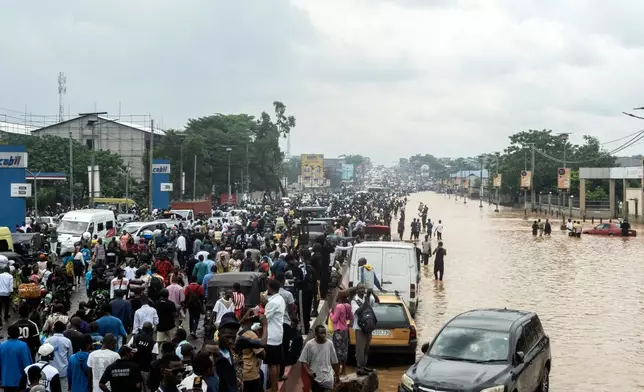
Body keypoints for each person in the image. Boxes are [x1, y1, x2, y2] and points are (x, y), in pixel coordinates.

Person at [299, 325, 340, 392]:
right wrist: (309, 372)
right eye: (321, 333)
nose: (323, 335)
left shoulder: (330, 344)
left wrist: (337, 375)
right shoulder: (309, 344)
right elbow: (303, 360)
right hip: (315, 377)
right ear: (316, 334)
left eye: (324, 333)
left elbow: (334, 362)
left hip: (328, 377)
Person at [351, 284, 378, 375]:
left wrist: (372, 293)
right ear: (357, 290)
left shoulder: (367, 298)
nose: (362, 290)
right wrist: (366, 301)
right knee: (360, 349)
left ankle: (364, 365)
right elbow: (357, 311)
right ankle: (359, 367)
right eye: (360, 288)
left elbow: (377, 302)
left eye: (363, 288)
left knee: (366, 348)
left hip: (368, 327)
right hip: (359, 328)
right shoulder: (354, 300)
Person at [265, 279, 286, 392]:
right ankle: (275, 386)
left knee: (272, 364)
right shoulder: (280, 299)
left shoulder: (272, 303)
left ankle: (273, 388)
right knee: (276, 363)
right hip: (278, 334)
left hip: (271, 336)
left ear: (270, 288)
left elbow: (265, 318)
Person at [0, 325, 33, 392]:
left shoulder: (2, 346)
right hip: (20, 381)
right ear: (18, 333)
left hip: (6, 381)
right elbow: (28, 365)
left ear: (8, 334)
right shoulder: (23, 346)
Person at [128, 321, 158, 390]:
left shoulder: (134, 338)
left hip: (134, 368)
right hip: (146, 369)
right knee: (146, 388)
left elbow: (127, 349)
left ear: (142, 329)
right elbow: (154, 360)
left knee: (134, 387)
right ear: (151, 330)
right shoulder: (153, 343)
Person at [43, 321, 73, 390]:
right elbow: (70, 357)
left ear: (53, 329)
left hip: (50, 371)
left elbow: (44, 356)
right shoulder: (67, 341)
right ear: (63, 329)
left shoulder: (47, 340)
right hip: (63, 371)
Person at [329, 291, 353, 375]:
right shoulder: (348, 306)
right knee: (344, 350)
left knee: (337, 350)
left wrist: (331, 313)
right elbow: (351, 317)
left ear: (339, 297)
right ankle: (344, 370)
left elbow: (334, 320)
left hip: (338, 330)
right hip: (345, 330)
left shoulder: (339, 306)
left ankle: (337, 371)